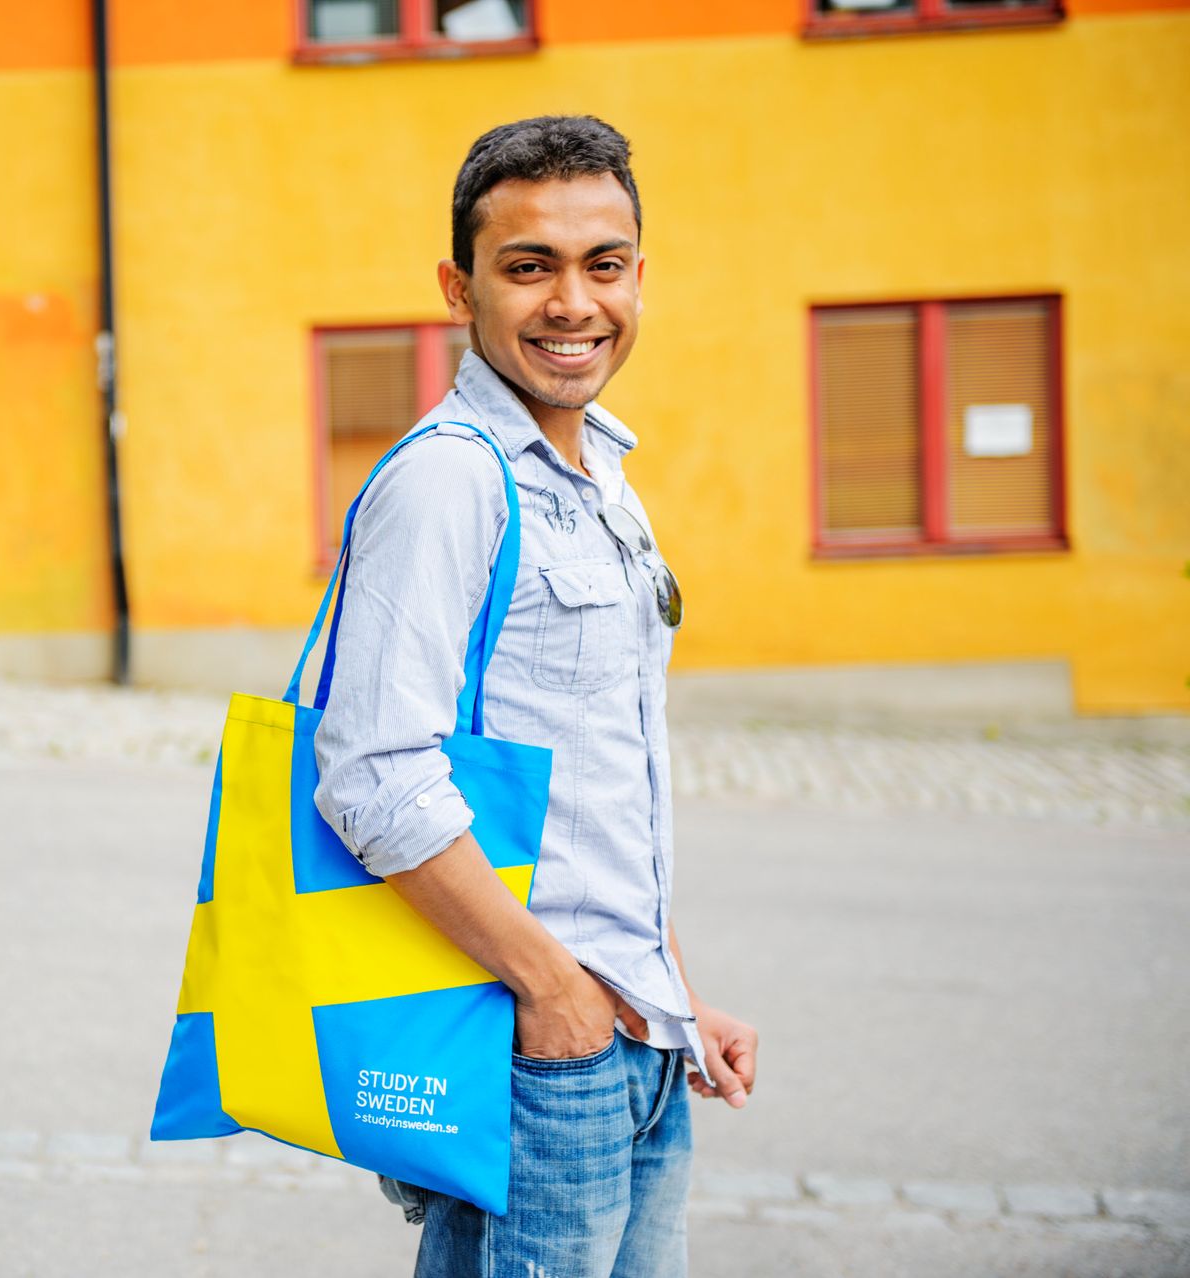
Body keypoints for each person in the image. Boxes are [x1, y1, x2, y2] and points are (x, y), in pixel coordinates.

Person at [312, 115, 759, 1277]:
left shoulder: (602, 472)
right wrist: (556, 997)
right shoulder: (450, 482)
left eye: (602, 265)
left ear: (639, 277)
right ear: (460, 289)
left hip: (637, 1045)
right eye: (530, 267)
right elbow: (372, 776)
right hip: (537, 1049)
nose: (574, 302)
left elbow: (602, 776)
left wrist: (676, 1001)